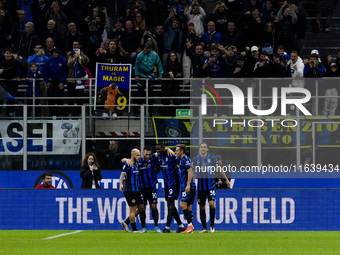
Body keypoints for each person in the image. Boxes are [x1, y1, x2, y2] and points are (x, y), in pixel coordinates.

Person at [121, 146, 161, 233]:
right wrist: (126, 160)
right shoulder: (138, 161)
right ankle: (143, 228)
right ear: (143, 154)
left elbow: (161, 151)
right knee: (142, 208)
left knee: (153, 207)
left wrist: (168, 149)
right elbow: (124, 162)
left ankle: (156, 226)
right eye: (146, 154)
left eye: (149, 154)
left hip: (152, 187)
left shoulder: (153, 158)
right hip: (141, 189)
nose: (148, 156)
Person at [194, 142, 230, 233]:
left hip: (211, 185)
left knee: (211, 204)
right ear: (199, 149)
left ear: (207, 149)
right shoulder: (195, 159)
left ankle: (212, 226)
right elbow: (192, 172)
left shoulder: (212, 159)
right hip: (201, 186)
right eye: (201, 147)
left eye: (204, 147)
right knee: (201, 206)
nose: (203, 148)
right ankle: (204, 228)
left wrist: (226, 179)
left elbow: (219, 169)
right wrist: (192, 182)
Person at [155, 143, 185, 233]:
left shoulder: (171, 155)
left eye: (159, 149)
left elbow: (180, 161)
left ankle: (167, 227)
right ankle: (181, 226)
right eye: (156, 150)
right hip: (166, 184)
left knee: (170, 204)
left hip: (174, 184)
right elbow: (157, 169)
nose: (158, 151)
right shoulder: (159, 157)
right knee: (170, 205)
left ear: (164, 148)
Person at [119, 148, 145, 233]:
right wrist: (120, 184)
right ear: (133, 155)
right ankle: (134, 229)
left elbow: (123, 159)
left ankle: (126, 222)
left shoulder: (137, 163)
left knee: (141, 208)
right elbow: (122, 174)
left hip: (137, 190)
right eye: (137, 155)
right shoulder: (128, 164)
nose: (139, 157)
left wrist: (125, 159)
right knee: (132, 209)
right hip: (130, 190)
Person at [134, 41, 163, 116]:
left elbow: (159, 65)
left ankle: (150, 113)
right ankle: (137, 112)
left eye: (147, 48)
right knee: (139, 93)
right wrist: (136, 75)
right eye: (144, 47)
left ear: (150, 48)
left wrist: (160, 75)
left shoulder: (155, 55)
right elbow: (136, 66)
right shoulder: (140, 55)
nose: (145, 49)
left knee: (150, 94)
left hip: (151, 76)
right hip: (141, 75)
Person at [175, 144, 196, 233]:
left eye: (177, 150)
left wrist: (188, 185)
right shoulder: (181, 160)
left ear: (182, 151)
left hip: (188, 186)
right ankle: (190, 227)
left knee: (182, 205)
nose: (176, 152)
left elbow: (190, 171)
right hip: (186, 186)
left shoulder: (186, 159)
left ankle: (190, 225)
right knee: (188, 206)